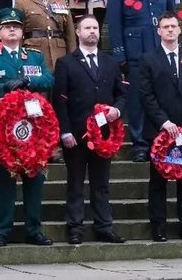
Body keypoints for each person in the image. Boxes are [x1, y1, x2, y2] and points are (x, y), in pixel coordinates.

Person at [0, 7, 56, 247]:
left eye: (16, 26)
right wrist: (4, 89)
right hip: (3, 130)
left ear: (22, 31)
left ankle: (34, 229)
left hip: (34, 128)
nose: (12, 30)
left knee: (35, 178)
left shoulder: (34, 56)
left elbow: (49, 80)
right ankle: (2, 230)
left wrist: (28, 81)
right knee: (5, 179)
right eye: (7, 27)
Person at [53, 16, 127, 245]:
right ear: (77, 32)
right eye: (87, 28)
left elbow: (122, 95)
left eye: (95, 27)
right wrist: (64, 131)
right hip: (76, 134)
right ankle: (75, 227)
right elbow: (60, 100)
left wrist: (117, 110)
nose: (92, 32)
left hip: (103, 133)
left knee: (101, 183)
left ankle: (104, 226)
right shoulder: (66, 63)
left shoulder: (111, 62)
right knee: (75, 183)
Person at [137, 13, 182, 243]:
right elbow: (146, 96)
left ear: (180, 30)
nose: (169, 30)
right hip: (160, 130)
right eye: (165, 27)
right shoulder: (148, 59)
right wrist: (164, 123)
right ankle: (159, 226)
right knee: (158, 182)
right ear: (158, 31)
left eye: (173, 26)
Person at [105, 0, 174, 162]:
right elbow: (114, 22)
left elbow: (170, 16)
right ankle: (139, 142)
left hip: (160, 47)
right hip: (135, 49)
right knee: (136, 97)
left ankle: (160, 139)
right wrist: (119, 53)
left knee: (162, 95)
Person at [15, 0, 73, 71]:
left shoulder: (61, 1)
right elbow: (18, 33)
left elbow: (70, 34)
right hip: (34, 54)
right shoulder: (22, 2)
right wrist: (19, 58)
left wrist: (73, 58)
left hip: (59, 54)